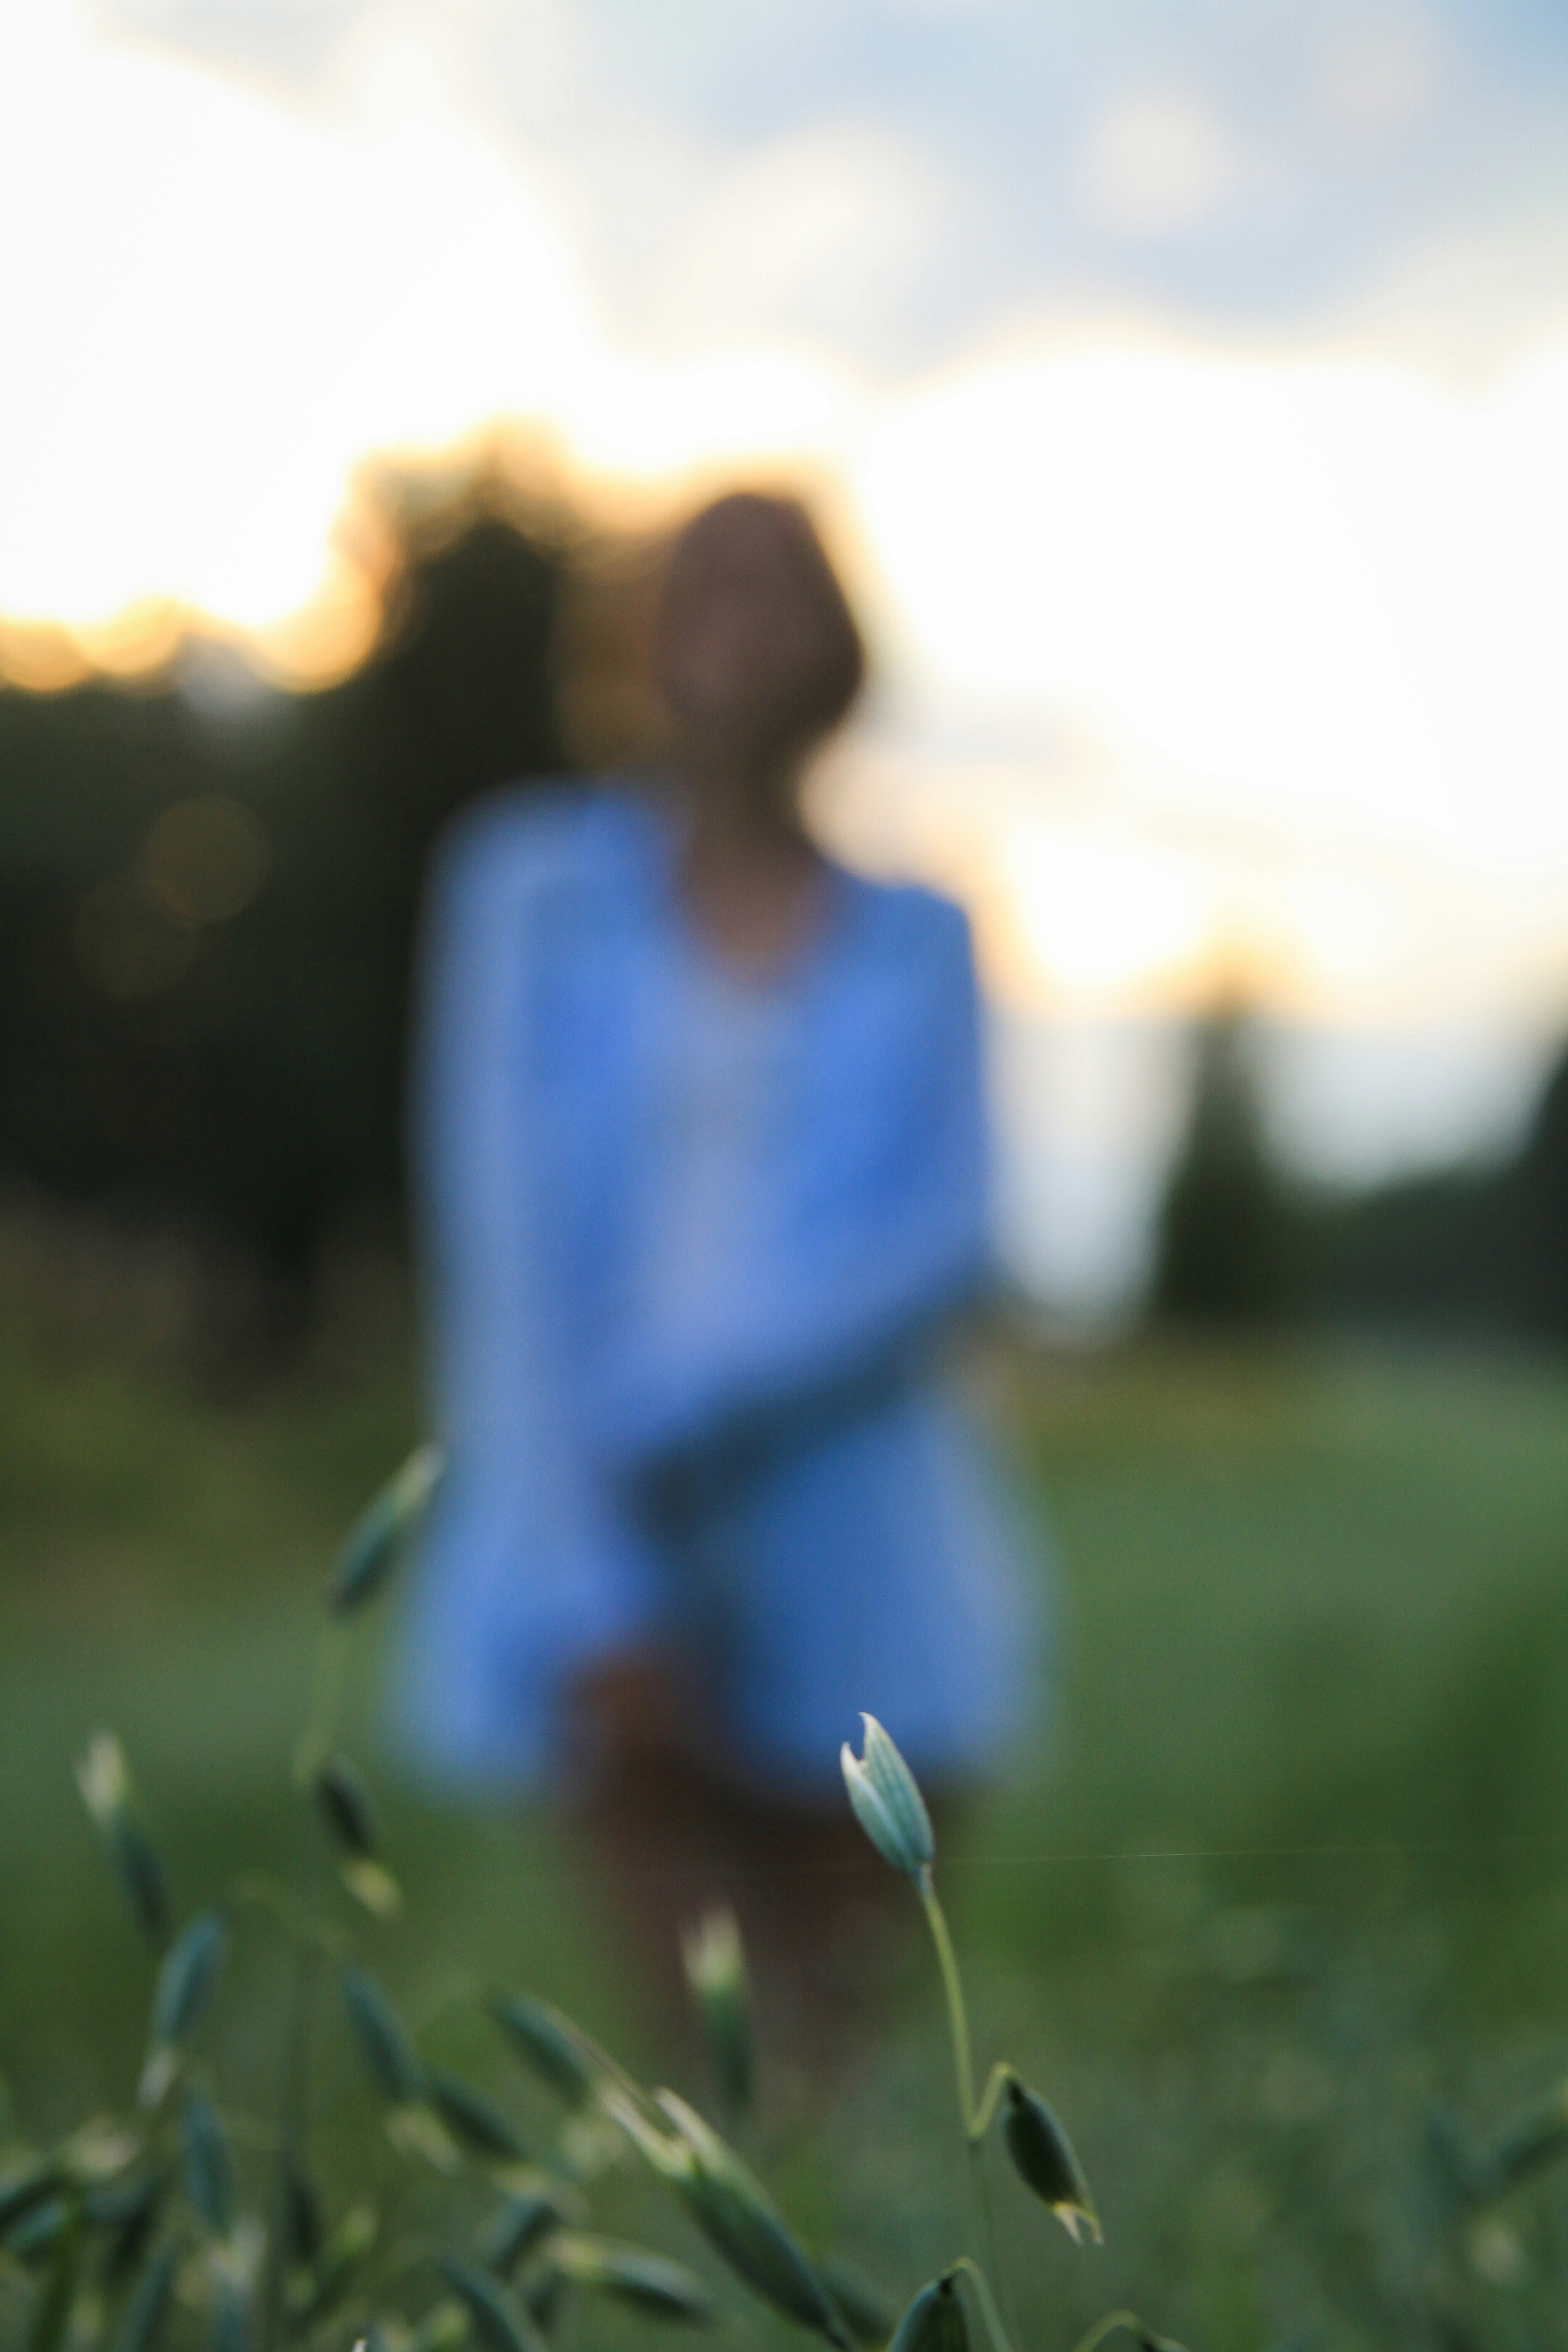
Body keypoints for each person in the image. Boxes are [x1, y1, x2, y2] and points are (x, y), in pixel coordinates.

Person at [392, 490, 1041, 2050]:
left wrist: (676, 1392)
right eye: (703, 577)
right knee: (712, 2064)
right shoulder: (524, 891)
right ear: (637, 631)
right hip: (607, 1541)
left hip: (870, 1555)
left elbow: (954, 1240)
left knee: (844, 2054)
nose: (741, 611)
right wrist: (587, 1587)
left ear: (841, 645)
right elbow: (499, 1250)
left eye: (783, 580)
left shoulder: (922, 929)